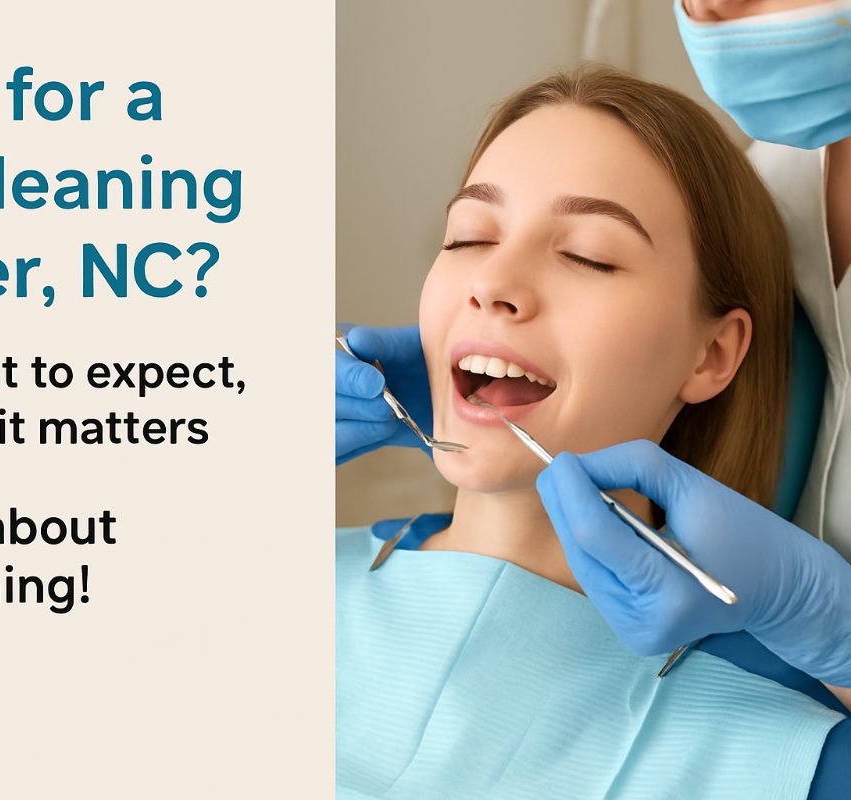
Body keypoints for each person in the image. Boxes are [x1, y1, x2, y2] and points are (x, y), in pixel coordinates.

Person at [336, 67, 846, 798]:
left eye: (587, 255)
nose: (493, 283)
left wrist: (837, 634)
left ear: (712, 355)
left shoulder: (787, 746)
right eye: (469, 236)